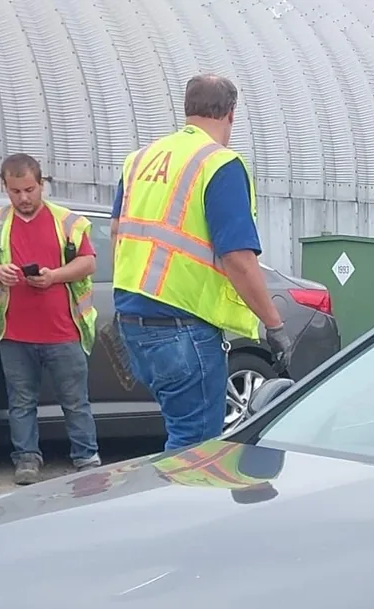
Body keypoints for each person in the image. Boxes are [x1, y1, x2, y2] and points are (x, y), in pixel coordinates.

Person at [111, 74, 287, 451]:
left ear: (187, 108)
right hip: (183, 327)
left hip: (132, 322)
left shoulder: (139, 160)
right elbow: (238, 258)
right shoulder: (219, 163)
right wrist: (274, 325)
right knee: (197, 447)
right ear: (231, 113)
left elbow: (117, 233)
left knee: (181, 432)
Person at [0, 154, 100, 483]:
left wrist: (54, 276)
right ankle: (26, 459)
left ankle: (86, 456)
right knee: (21, 402)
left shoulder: (67, 221)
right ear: (4, 187)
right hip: (15, 332)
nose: (24, 198)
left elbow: (88, 262)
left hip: (63, 331)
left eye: (29, 190)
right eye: (15, 191)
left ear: (42, 184)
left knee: (75, 401)